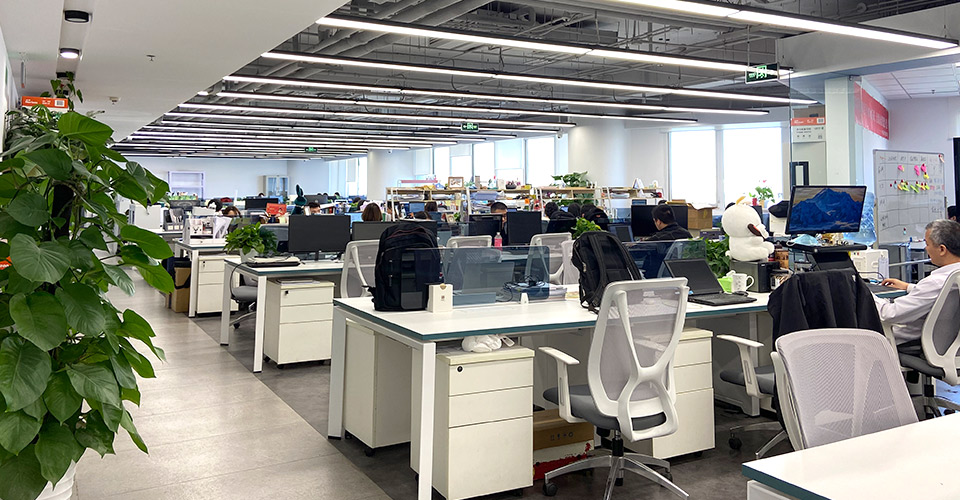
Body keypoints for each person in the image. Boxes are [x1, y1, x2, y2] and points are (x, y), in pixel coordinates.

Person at [875, 219, 960, 345]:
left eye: (927, 244)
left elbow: (888, 314)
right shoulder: (952, 277)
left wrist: (866, 293)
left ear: (942, 249)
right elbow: (940, 294)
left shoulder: (935, 282)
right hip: (950, 348)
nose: (926, 248)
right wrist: (908, 287)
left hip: (910, 345)